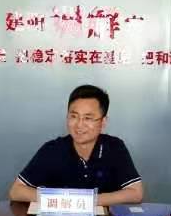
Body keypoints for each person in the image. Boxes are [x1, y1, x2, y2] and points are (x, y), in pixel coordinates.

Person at [8, 84, 144, 206]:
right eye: (74, 116)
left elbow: (136, 193)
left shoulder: (114, 147)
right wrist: (61, 200)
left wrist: (87, 201)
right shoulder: (53, 149)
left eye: (88, 118)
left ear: (103, 122)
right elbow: (16, 191)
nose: (79, 125)